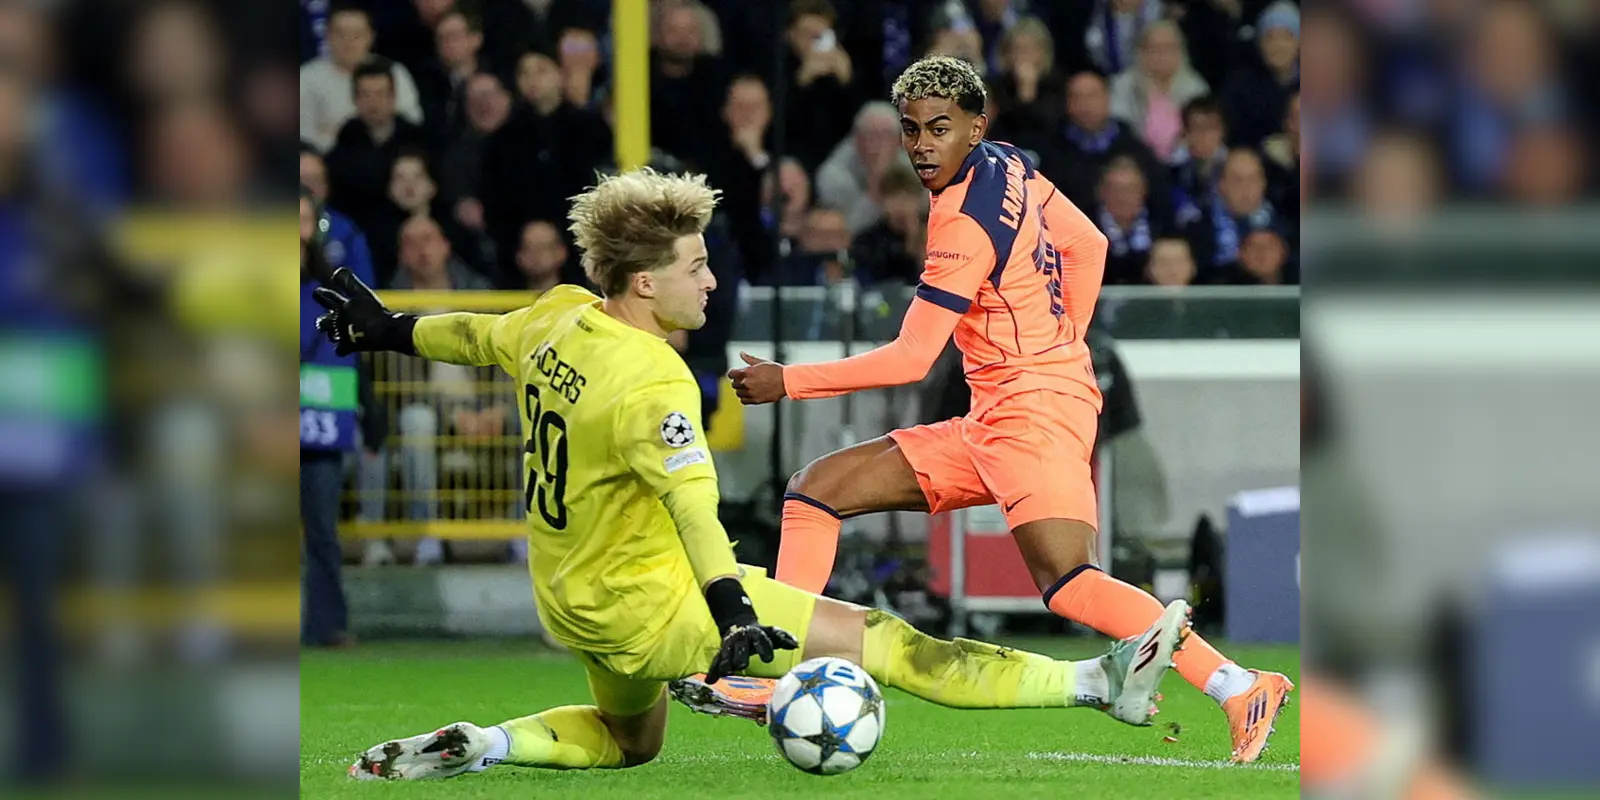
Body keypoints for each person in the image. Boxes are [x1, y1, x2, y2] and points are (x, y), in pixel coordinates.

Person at [312, 168, 1188, 780]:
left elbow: (474, 333)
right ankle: (1095, 683)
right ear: (645, 283)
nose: (711, 281)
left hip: (571, 598)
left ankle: (487, 744)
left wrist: (389, 329)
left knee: (629, 741)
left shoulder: (556, 316)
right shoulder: (654, 377)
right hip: (659, 604)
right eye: (695, 267)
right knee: (890, 645)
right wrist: (732, 611)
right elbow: (695, 508)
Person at [704, 55, 1293, 764]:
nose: (922, 145)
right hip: (1001, 408)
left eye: (940, 128)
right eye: (911, 129)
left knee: (1070, 582)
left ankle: (1239, 685)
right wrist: (1063, 341)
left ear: (975, 127)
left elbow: (911, 358)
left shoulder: (963, 226)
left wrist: (789, 381)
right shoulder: (1007, 163)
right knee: (815, 490)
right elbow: (1088, 244)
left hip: (1033, 411)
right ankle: (781, 671)